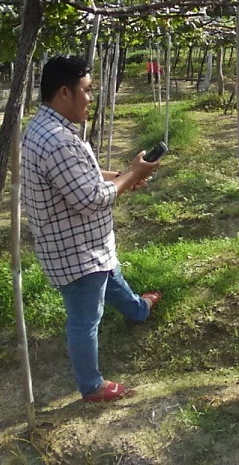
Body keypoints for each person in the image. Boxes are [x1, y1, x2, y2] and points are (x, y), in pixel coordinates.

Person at [21, 55, 161, 403]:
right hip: (76, 252)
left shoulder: (45, 129)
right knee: (85, 319)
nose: (90, 98)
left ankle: (139, 311)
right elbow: (91, 199)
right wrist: (133, 175)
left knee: (113, 279)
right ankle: (91, 386)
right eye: (86, 90)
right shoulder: (58, 141)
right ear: (64, 92)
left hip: (89, 246)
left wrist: (123, 177)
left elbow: (82, 177)